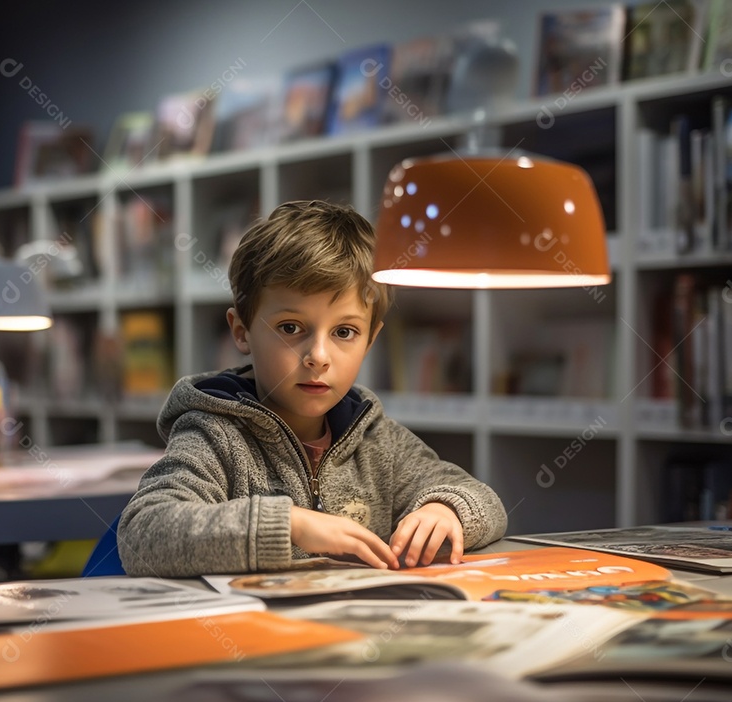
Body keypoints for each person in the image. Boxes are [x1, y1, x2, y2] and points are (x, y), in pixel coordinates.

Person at [118, 200, 507, 577]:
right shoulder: (214, 435)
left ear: (370, 340)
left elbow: (483, 499)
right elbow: (143, 532)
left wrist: (445, 509)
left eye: (344, 332)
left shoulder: (378, 442)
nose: (318, 356)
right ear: (242, 331)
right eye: (290, 328)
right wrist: (287, 524)